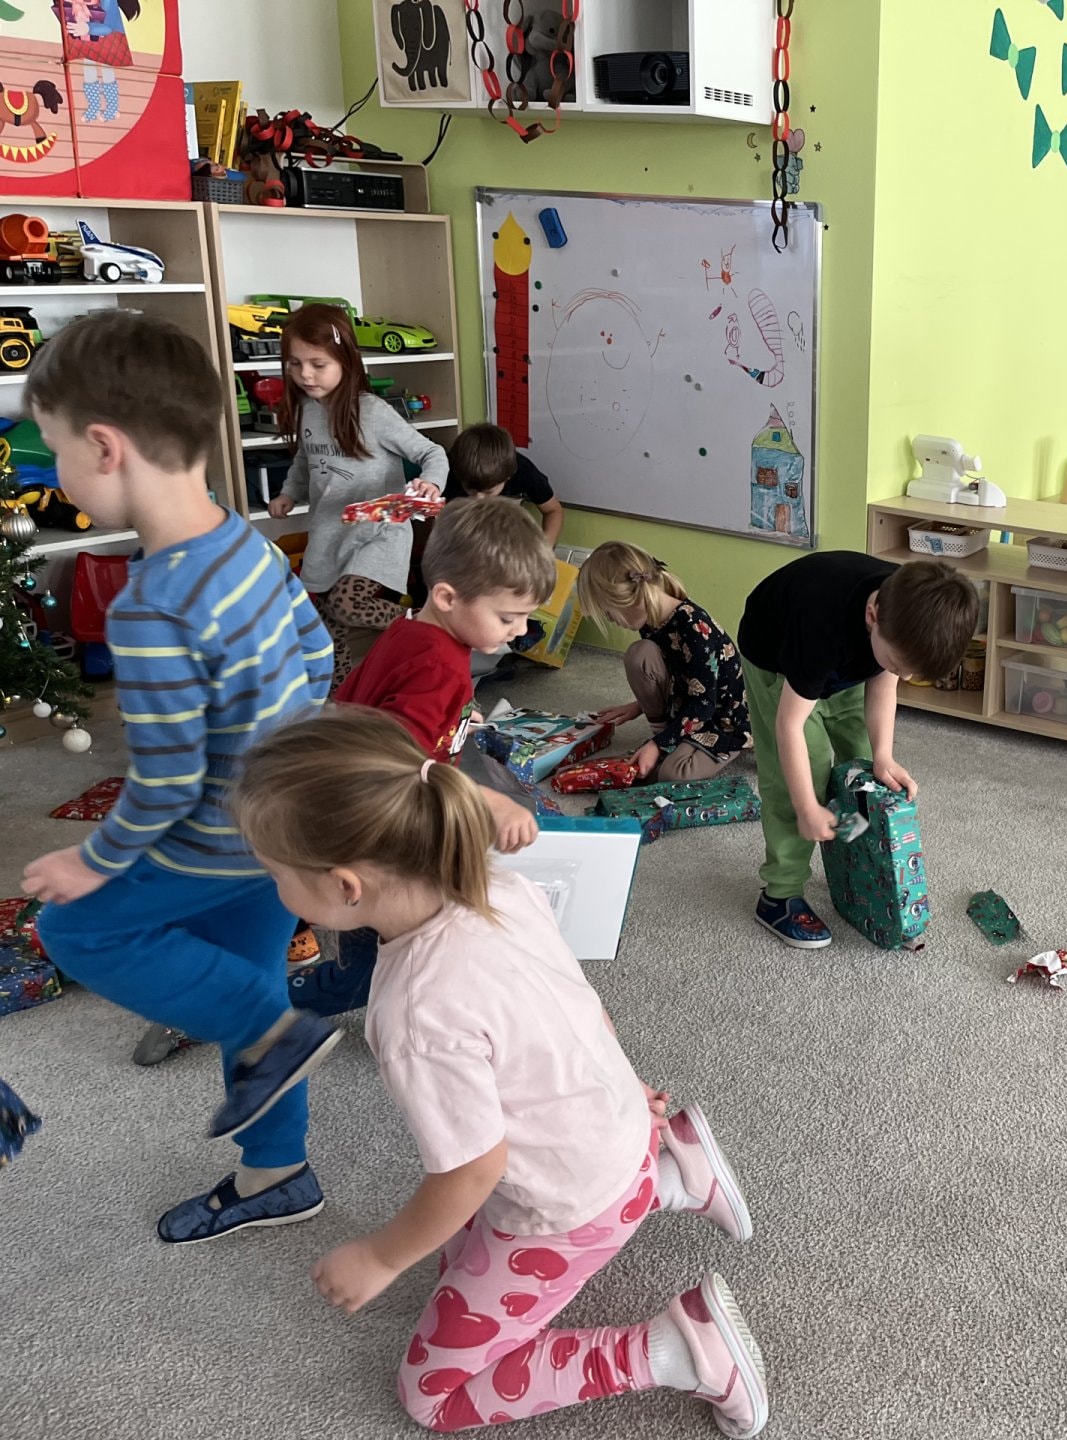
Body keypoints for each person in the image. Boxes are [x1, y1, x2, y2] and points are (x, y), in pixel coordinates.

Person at [232, 708, 769, 1436]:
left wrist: (379, 1257)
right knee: (456, 1255)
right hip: (619, 1125)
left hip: (570, 1204)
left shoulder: (414, 1012)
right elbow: (575, 1005)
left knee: (433, 1397)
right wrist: (627, 1087)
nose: (273, 889)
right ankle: (671, 1174)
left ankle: (677, 1351)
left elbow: (472, 1171)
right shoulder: (495, 885)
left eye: (276, 874)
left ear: (346, 886)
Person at [18, 311, 341, 1243]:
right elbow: (317, 655)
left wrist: (89, 860)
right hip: (279, 830)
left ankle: (272, 1035)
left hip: (217, 835)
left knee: (74, 928)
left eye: (56, 452)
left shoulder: (152, 606)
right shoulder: (247, 542)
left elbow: (164, 786)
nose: (58, 474)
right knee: (247, 978)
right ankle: (277, 1172)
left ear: (104, 448)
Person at [285, 497, 553, 1018]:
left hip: (355, 804)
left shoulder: (413, 633)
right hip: (372, 826)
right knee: (367, 965)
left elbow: (378, 704)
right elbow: (393, 760)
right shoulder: (438, 668)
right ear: (448, 597)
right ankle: (268, 1004)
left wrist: (458, 712)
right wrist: (486, 801)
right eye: (508, 617)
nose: (520, 631)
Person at [735, 552, 976, 948]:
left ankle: (857, 874)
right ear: (871, 616)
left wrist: (883, 755)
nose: (905, 675)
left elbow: (884, 683)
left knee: (861, 766)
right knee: (803, 771)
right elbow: (789, 726)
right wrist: (807, 808)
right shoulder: (821, 630)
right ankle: (779, 894)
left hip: (847, 660)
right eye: (900, 664)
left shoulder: (902, 615)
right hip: (776, 657)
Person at [265, 302, 449, 694]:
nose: (305, 374)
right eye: (295, 364)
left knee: (346, 603)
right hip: (329, 532)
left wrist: (431, 483)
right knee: (322, 624)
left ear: (345, 361)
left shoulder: (372, 413)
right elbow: (305, 461)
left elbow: (432, 453)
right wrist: (288, 493)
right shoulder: (307, 411)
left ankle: (422, 621)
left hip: (379, 531)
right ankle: (340, 698)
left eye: (318, 364)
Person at [578, 540, 750, 783]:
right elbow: (674, 671)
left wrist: (658, 745)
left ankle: (668, 745)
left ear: (628, 598)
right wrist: (638, 706)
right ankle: (664, 739)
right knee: (639, 654)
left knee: (673, 773)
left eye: (607, 612)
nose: (610, 620)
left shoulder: (694, 629)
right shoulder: (651, 621)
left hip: (721, 719)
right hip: (687, 705)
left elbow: (704, 704)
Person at [445, 422, 565, 546]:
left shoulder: (522, 470)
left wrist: (545, 549)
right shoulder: (445, 471)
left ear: (508, 477)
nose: (479, 498)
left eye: (488, 492)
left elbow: (553, 510)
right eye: (471, 489)